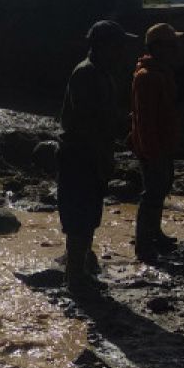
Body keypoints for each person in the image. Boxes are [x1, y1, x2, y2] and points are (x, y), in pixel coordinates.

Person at [57, 19, 136, 292]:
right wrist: (103, 155)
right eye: (118, 46)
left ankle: (78, 270)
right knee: (80, 216)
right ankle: (75, 277)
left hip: (90, 152)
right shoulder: (87, 73)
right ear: (103, 46)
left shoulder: (101, 72)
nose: (121, 52)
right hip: (81, 154)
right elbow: (88, 122)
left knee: (88, 215)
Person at [130, 23, 184, 263]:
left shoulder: (163, 72)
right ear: (158, 48)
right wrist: (152, 150)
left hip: (165, 143)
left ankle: (155, 234)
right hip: (153, 146)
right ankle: (143, 245)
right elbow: (145, 119)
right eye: (172, 45)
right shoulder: (147, 77)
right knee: (152, 194)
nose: (176, 49)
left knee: (160, 190)